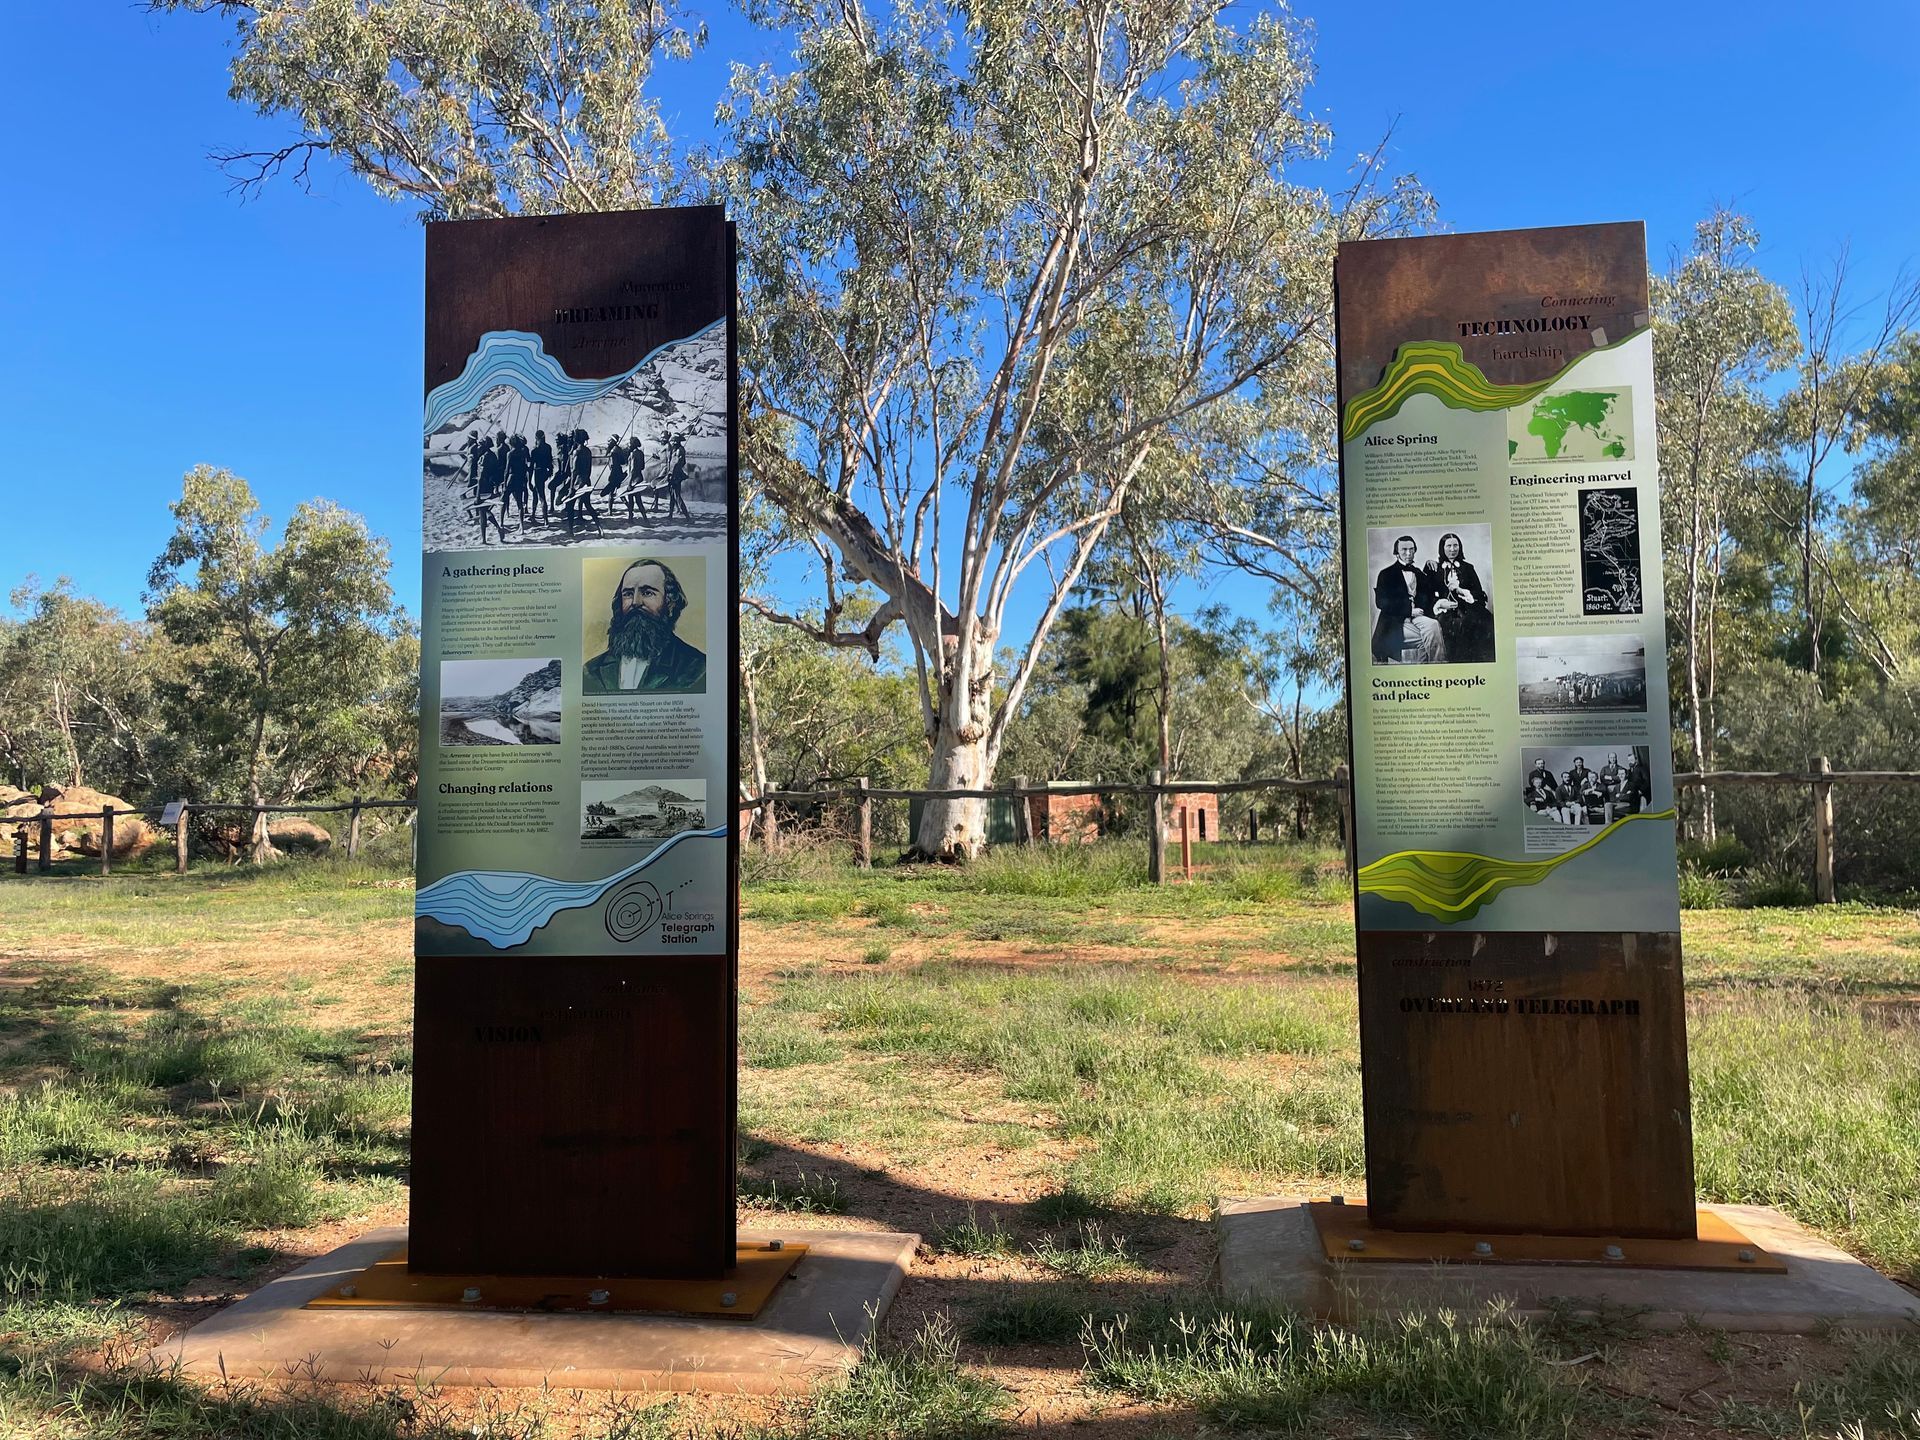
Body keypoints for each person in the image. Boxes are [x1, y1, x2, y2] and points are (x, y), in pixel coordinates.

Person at [582, 558, 707, 694]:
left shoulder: (697, 668)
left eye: (647, 593)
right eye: (628, 594)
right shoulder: (591, 671)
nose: (635, 602)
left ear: (670, 603)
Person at [1371, 535, 1444, 663]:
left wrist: (1431, 564)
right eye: (1404, 550)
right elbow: (1381, 602)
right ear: (1397, 552)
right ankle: (1435, 667)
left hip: (1417, 617)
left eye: (1411, 549)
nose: (1409, 553)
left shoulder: (1418, 573)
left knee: (1433, 626)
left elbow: (1430, 591)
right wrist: (1408, 611)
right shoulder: (1386, 574)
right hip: (1395, 621)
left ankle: (1433, 668)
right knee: (1430, 638)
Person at [1425, 532, 1494, 664]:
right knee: (1457, 625)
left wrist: (1461, 591)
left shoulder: (1468, 568)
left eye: (1455, 545)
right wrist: (1441, 603)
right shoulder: (1433, 568)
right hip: (1444, 611)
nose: (1452, 549)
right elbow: (1426, 595)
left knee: (1486, 620)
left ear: (1460, 547)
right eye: (1448, 546)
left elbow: (1478, 593)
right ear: (1442, 548)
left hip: (1468, 608)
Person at [504, 434, 531, 526]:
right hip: (520, 477)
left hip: (511, 478)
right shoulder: (523, 452)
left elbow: (507, 470)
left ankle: (501, 522)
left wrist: (504, 484)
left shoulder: (510, 453)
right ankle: (521, 525)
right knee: (520, 503)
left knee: (504, 499)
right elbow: (525, 465)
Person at [530, 429, 554, 523]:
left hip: (538, 472)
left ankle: (545, 519)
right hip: (545, 472)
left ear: (536, 438)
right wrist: (550, 471)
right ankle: (533, 514)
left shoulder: (535, 451)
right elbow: (550, 461)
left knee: (541, 496)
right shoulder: (548, 447)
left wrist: (529, 480)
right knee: (536, 493)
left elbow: (531, 466)